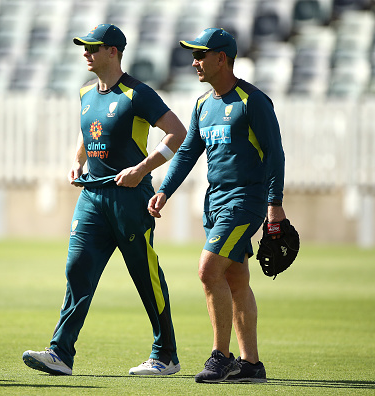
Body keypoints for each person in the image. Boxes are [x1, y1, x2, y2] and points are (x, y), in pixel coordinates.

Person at [22, 24, 187, 376]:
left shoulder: (137, 93)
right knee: (76, 269)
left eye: (92, 47)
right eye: (84, 47)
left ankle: (166, 355)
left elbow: (178, 132)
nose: (85, 53)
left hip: (129, 199)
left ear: (113, 52)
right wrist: (77, 161)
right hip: (92, 196)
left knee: (145, 277)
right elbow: (89, 131)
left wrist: (142, 169)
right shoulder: (85, 93)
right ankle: (60, 353)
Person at [148, 28, 287, 383]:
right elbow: (189, 153)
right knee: (235, 277)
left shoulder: (252, 101)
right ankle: (251, 365)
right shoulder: (201, 105)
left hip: (245, 201)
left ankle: (220, 357)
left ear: (221, 58)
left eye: (201, 55)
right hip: (216, 201)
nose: (194, 62)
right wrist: (165, 190)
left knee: (208, 270)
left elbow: (274, 155)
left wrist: (274, 204)